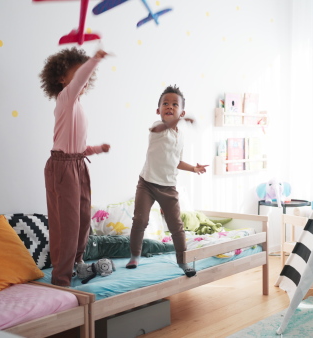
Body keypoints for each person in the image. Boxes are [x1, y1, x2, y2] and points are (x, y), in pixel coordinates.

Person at [39, 47, 111, 287]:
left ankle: (77, 265)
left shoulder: (77, 105)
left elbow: (75, 145)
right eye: (79, 72)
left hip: (78, 164)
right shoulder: (65, 98)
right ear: (61, 79)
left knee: (82, 219)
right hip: (62, 168)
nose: (84, 76)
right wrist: (95, 60)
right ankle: (61, 278)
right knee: (66, 225)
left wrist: (96, 149)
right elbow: (80, 79)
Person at [126, 85, 208, 277]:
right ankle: (134, 256)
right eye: (165, 104)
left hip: (168, 187)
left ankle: (183, 261)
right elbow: (163, 126)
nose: (169, 107)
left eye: (174, 104)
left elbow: (176, 161)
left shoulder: (180, 135)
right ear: (158, 110)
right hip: (147, 183)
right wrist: (178, 120)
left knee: (176, 226)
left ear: (182, 111)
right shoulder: (157, 127)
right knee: (140, 219)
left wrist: (194, 169)